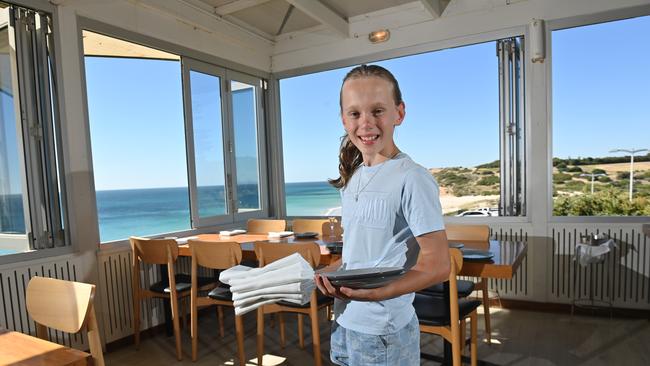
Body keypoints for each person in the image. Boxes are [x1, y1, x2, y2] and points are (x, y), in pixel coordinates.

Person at [314, 64, 451, 366]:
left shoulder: (412, 177)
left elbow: (439, 265)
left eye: (377, 110)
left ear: (399, 114)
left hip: (384, 331)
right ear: (343, 119)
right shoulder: (352, 179)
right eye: (355, 113)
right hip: (344, 321)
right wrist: (330, 272)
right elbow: (358, 256)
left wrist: (380, 294)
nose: (366, 123)